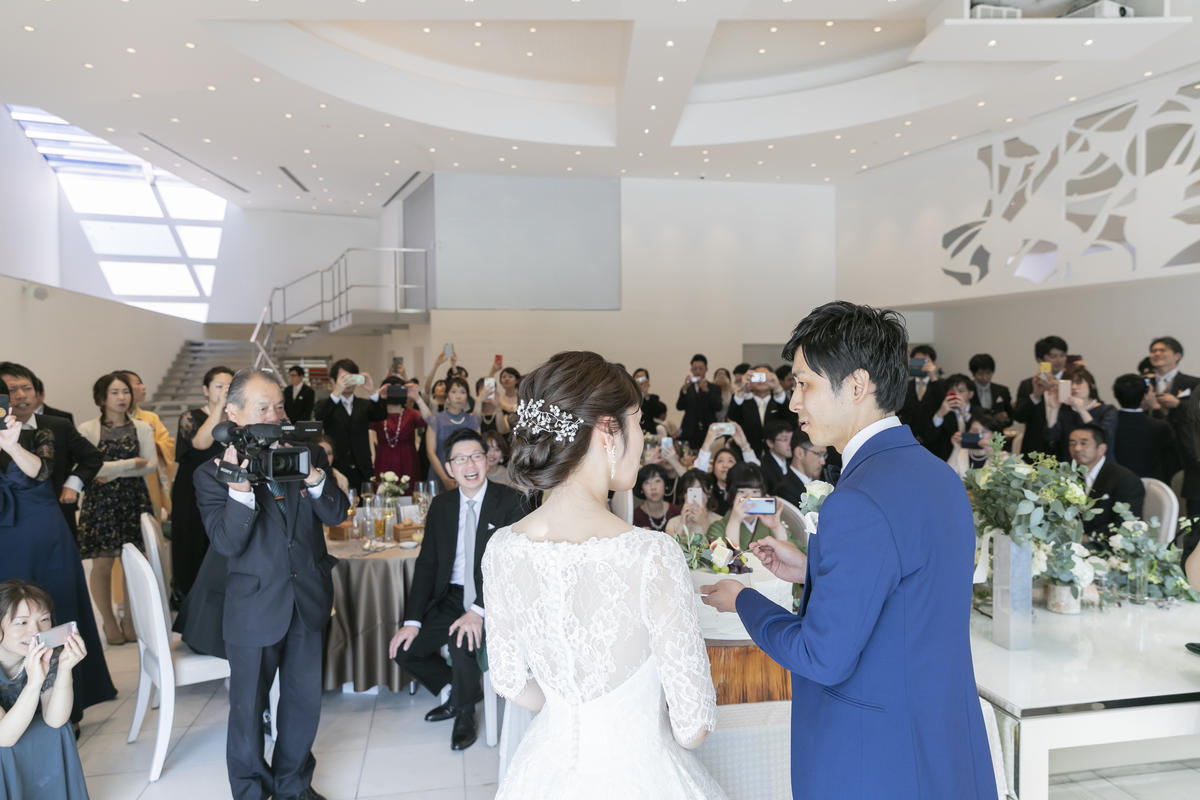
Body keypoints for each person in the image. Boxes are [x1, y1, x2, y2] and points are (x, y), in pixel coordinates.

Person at [701, 301, 996, 800]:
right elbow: (911, 588)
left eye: (804, 384)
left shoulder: (859, 498)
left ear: (857, 385)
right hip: (942, 737)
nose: (794, 402)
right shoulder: (939, 475)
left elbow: (821, 656)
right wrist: (814, 570)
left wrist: (745, 601)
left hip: (875, 757)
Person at [481, 350, 723, 799]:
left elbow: (509, 680)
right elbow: (692, 727)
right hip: (638, 772)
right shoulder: (652, 555)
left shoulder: (502, 549)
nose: (644, 440)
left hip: (547, 766)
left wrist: (570, 715)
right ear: (608, 430)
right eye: (639, 424)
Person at [194, 368, 348, 800]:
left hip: (308, 597)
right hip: (254, 604)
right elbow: (227, 543)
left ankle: (293, 785)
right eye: (263, 408)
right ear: (233, 414)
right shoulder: (211, 474)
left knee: (303, 702)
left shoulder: (306, 454)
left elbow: (336, 514)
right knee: (248, 708)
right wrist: (240, 491)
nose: (275, 416)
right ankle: (249, 790)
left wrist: (315, 478)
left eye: (279, 407)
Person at [389, 429, 526, 751]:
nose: (470, 465)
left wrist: (478, 610)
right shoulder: (442, 506)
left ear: (488, 460)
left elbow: (514, 567)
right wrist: (412, 621)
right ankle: (459, 691)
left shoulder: (511, 501)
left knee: (462, 640)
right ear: (449, 468)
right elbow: (426, 565)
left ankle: (464, 712)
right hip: (450, 595)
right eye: (461, 459)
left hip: (493, 599)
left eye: (476, 456)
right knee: (405, 650)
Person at [0, 415, 115, 729]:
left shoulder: (41, 433)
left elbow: (42, 471)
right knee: (10, 618)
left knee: (55, 611)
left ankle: (67, 710)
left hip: (46, 538)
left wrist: (11, 446)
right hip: (5, 542)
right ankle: (14, 713)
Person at [77, 372, 157, 645]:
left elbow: (150, 465)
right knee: (102, 565)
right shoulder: (87, 429)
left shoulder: (142, 427)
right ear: (101, 398)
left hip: (133, 499)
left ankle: (131, 621)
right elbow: (89, 469)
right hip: (100, 502)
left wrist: (110, 471)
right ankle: (109, 623)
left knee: (133, 563)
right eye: (115, 392)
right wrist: (130, 463)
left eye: (125, 392)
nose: (122, 397)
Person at [0, 580, 90, 799]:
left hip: (17, 728)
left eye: (44, 619)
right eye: (22, 622)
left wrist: (65, 669)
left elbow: (56, 720)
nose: (36, 631)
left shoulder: (49, 652)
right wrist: (33, 684)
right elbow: (3, 737)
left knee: (59, 729)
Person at [0, 362, 102, 541]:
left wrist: (73, 484)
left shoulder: (58, 425)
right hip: (8, 520)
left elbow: (92, 457)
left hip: (56, 513)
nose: (21, 395)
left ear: (37, 392)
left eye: (27, 388)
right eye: (12, 389)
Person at [170, 366, 234, 601]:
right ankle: (191, 601)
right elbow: (201, 443)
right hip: (191, 494)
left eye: (230, 386)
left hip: (226, 492)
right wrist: (219, 407)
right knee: (193, 547)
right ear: (206, 390)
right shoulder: (190, 417)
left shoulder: (236, 419)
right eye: (219, 386)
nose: (225, 390)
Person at [1145, 336, 1200, 514]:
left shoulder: (1193, 383)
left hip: (1182, 451)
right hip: (1151, 449)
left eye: (1162, 350)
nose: (1157, 354)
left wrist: (1178, 404)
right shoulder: (1143, 383)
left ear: (1177, 355)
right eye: (1153, 351)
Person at [315, 358, 386, 493]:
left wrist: (372, 391)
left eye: (351, 378)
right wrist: (336, 392)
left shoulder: (364, 405)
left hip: (362, 469)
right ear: (333, 381)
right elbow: (320, 416)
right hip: (337, 468)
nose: (348, 382)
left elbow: (381, 415)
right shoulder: (326, 404)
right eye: (343, 378)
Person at [1069, 423, 1144, 546]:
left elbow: (1125, 523)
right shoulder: (1070, 474)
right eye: (1072, 443)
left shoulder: (1125, 479)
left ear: (1101, 449)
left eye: (1083, 443)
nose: (1076, 448)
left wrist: (1087, 538)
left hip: (1105, 545)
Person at [118, 369, 176, 520]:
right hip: (120, 482)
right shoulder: (108, 421)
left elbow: (168, 445)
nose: (143, 387)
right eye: (137, 383)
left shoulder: (150, 418)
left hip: (148, 480)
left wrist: (151, 445)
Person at [704, 463, 788, 551]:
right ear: (731, 494)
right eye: (742, 492)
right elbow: (726, 558)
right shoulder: (717, 528)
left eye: (755, 492)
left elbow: (793, 554)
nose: (749, 497)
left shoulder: (771, 523)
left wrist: (776, 528)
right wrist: (734, 523)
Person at [369, 378, 431, 492]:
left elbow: (431, 421)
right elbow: (361, 418)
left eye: (398, 389)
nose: (395, 393)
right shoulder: (377, 415)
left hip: (408, 463)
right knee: (384, 496)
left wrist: (417, 398)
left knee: (409, 495)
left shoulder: (411, 414)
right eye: (391, 390)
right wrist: (377, 396)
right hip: (383, 462)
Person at [1013, 335, 1070, 458]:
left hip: (1066, 449)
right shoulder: (1028, 385)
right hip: (1035, 449)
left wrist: (1058, 387)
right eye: (1053, 356)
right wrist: (1035, 396)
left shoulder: (1073, 382)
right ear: (1039, 359)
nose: (1059, 360)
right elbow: (1019, 417)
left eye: (1062, 355)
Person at [1111, 373, 1176, 482]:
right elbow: (1171, 457)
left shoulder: (1109, 422)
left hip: (1116, 479)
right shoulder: (1159, 425)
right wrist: (1156, 408)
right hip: (1151, 482)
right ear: (1145, 396)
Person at [425, 377, 486, 490]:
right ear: (447, 395)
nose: (458, 396)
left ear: (467, 396)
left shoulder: (473, 421)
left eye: (463, 392)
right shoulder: (436, 420)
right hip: (439, 474)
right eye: (453, 392)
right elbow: (430, 453)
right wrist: (445, 479)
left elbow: (478, 450)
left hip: (467, 475)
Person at [1044, 366, 1118, 459]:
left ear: (1091, 385)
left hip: (1100, 463)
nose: (1074, 387)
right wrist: (1054, 409)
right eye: (1070, 383)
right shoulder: (1064, 411)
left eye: (1079, 383)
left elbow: (1104, 437)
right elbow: (1051, 439)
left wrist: (1082, 410)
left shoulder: (1107, 410)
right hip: (1070, 464)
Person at [728, 364, 792, 458]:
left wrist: (777, 387)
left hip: (776, 455)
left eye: (765, 376)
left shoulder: (779, 401)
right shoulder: (742, 402)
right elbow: (732, 419)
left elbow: (791, 420)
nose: (761, 380)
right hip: (746, 454)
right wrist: (742, 388)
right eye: (757, 376)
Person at [898, 343, 945, 444]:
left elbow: (942, 403)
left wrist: (933, 377)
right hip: (908, 439)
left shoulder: (941, 384)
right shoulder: (904, 386)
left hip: (935, 440)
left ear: (934, 363)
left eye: (925, 361)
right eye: (917, 361)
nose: (921, 365)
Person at [925, 372, 977, 461]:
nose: (956, 395)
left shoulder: (981, 412)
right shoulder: (940, 411)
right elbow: (928, 438)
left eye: (961, 391)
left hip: (972, 459)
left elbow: (982, 439)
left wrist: (966, 415)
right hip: (945, 460)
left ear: (971, 394)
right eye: (952, 391)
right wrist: (939, 414)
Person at [675, 354, 722, 451]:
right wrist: (684, 390)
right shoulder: (687, 388)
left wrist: (707, 392)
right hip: (690, 430)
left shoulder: (714, 388)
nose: (698, 371)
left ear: (706, 369)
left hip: (708, 430)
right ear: (691, 370)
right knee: (688, 457)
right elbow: (679, 406)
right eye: (695, 369)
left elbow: (718, 407)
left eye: (700, 368)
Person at [664, 469, 721, 544]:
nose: (695, 496)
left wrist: (704, 522)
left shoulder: (719, 521)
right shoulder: (673, 522)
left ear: (709, 492)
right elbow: (669, 548)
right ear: (683, 495)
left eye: (699, 490)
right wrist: (682, 523)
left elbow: (720, 547)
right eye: (690, 491)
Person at [775, 430, 827, 507]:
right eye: (819, 454)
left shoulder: (824, 482)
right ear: (800, 453)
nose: (823, 462)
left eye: (824, 455)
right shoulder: (784, 490)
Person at [946, 414, 1001, 479]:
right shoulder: (961, 452)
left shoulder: (1001, 457)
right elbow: (947, 475)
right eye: (974, 431)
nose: (979, 435)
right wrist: (956, 448)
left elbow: (1000, 479)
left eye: (984, 432)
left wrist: (991, 454)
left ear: (993, 435)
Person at [632, 463, 679, 532]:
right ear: (641, 488)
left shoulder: (676, 512)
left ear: (665, 484)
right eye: (647, 482)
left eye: (657, 481)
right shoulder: (635, 516)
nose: (653, 487)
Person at [969, 353, 1012, 427]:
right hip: (972, 431)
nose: (985, 377)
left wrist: (1005, 419)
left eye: (988, 373)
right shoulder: (967, 389)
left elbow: (1010, 417)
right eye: (980, 373)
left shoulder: (1002, 390)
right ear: (973, 373)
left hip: (996, 432)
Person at [758, 419, 794, 493]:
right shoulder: (763, 467)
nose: (790, 444)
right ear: (770, 443)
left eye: (792, 439)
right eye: (785, 439)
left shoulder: (792, 463)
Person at [632, 368, 668, 435]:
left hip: (648, 432)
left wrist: (645, 394)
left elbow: (657, 414)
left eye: (642, 378)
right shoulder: (628, 397)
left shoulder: (652, 398)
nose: (639, 380)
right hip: (633, 430)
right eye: (637, 377)